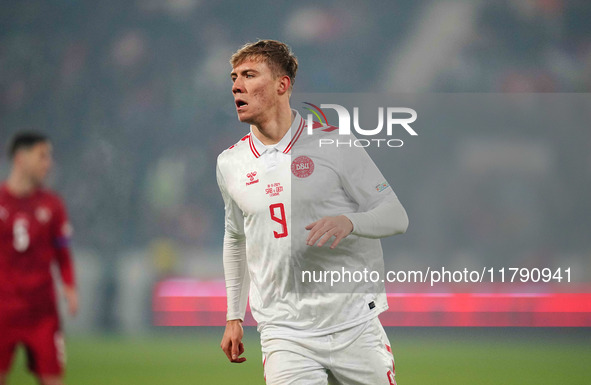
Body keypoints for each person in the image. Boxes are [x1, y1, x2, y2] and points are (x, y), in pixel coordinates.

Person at [217, 40, 408, 385]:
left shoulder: (337, 146)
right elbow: (235, 237)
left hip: (352, 323)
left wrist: (351, 221)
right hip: (284, 332)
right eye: (234, 77)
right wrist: (234, 316)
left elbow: (396, 215)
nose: (236, 85)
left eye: (249, 75)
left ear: (282, 85)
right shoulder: (230, 163)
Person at [0, 132, 78, 385]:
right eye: (42, 156)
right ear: (21, 158)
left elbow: (62, 252)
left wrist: (69, 286)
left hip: (43, 313)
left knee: (53, 379)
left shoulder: (53, 205)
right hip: (3, 309)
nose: (48, 163)